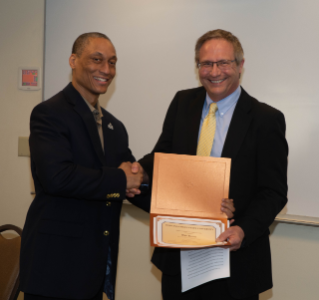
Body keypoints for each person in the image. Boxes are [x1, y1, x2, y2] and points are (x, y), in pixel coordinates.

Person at [137, 29, 288, 300]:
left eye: (224, 63)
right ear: (198, 67)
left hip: (234, 263)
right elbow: (163, 159)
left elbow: (273, 192)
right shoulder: (183, 103)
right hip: (179, 257)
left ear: (240, 66)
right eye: (206, 64)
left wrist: (242, 227)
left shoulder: (266, 120)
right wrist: (136, 172)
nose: (214, 71)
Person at [20, 32, 148, 300]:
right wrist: (123, 181)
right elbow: (58, 177)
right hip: (55, 268)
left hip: (95, 269)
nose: (106, 69)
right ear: (73, 60)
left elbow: (134, 180)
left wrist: (199, 208)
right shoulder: (49, 114)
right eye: (97, 59)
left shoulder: (115, 127)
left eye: (112, 62)